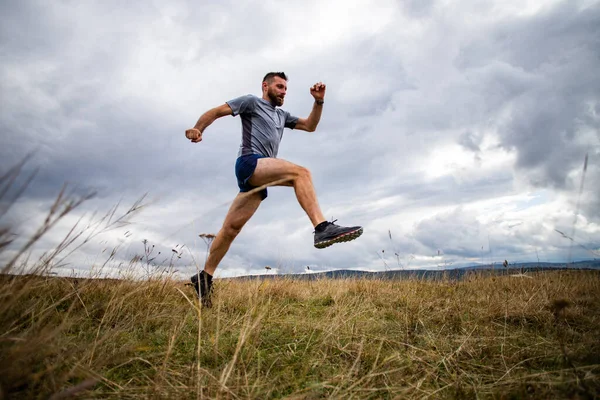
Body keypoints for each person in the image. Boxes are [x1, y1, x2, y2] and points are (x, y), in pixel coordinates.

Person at [185, 72, 363, 306]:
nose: (283, 92)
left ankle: (204, 277)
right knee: (301, 173)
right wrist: (198, 129)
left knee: (230, 229)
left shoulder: (282, 116)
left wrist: (318, 101)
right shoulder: (251, 102)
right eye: (279, 87)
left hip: (259, 176)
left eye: (286, 89)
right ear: (265, 86)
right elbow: (217, 111)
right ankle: (322, 227)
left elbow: (310, 126)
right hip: (250, 162)